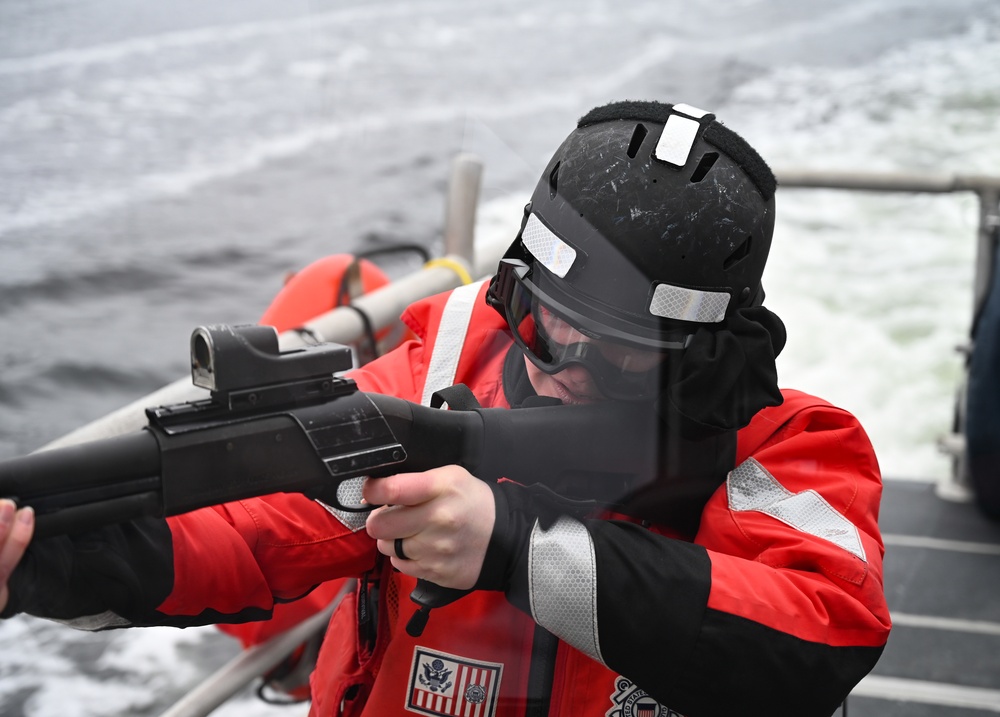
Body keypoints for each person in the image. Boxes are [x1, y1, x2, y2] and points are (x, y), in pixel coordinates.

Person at [0, 100, 890, 717]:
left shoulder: (794, 446)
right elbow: (248, 525)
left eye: (621, 353)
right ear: (516, 288)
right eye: (549, 325)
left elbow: (819, 634)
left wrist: (516, 546)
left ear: (703, 353)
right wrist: (44, 563)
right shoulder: (446, 365)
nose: (568, 367)